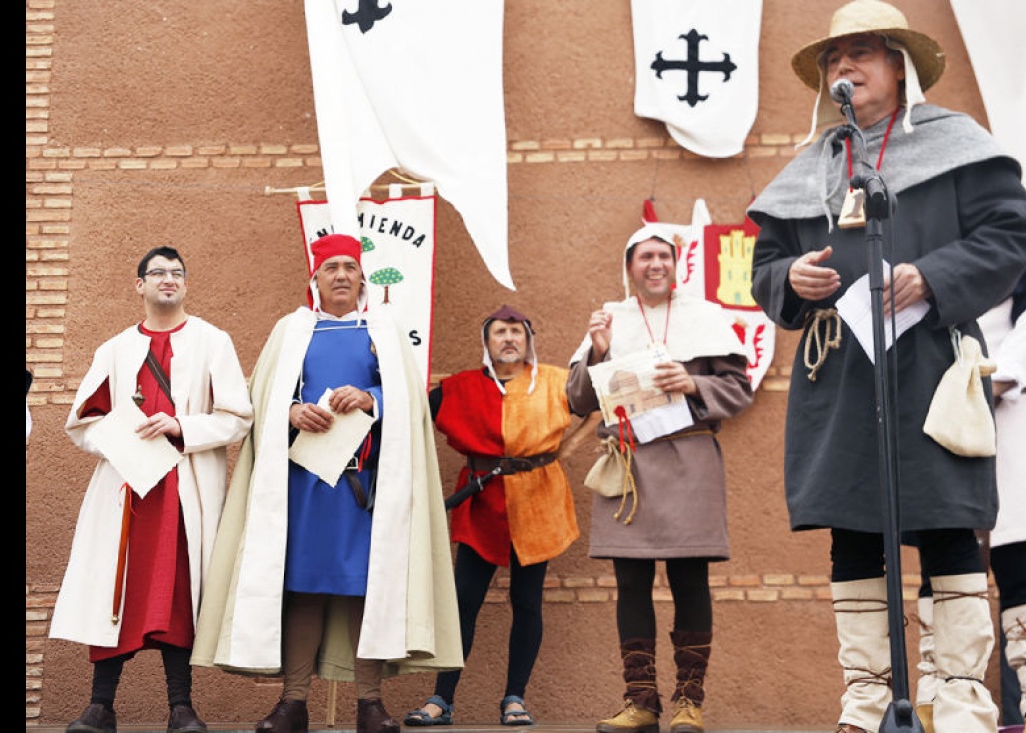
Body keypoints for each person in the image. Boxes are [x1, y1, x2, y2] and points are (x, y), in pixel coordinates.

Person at [745, 1, 1026, 731]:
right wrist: (791, 281)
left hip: (932, 367)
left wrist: (932, 275)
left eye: (864, 53)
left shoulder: (957, 145)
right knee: (853, 528)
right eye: (834, 58)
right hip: (839, 375)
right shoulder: (811, 166)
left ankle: (965, 701)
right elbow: (765, 266)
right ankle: (867, 700)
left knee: (946, 524)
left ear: (901, 68)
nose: (844, 68)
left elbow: (1011, 236)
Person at [191, 233, 463, 733]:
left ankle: (371, 704)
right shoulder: (291, 331)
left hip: (366, 490)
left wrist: (370, 397)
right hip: (305, 487)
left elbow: (407, 400)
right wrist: (291, 411)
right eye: (331, 267)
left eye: (349, 267)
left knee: (366, 589)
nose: (341, 274)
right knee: (306, 589)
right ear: (314, 277)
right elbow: (263, 398)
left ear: (363, 278)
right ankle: (293, 703)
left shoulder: (385, 330)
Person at [49, 246, 254, 733]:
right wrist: (127, 438)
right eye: (157, 273)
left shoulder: (213, 341)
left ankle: (181, 707)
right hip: (127, 488)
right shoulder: (115, 349)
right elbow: (83, 422)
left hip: (185, 490)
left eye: (177, 273)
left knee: (177, 592)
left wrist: (180, 425)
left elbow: (238, 418)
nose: (169, 279)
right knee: (115, 589)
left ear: (185, 284)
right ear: (138, 285)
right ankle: (100, 707)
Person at [567, 224, 753, 733]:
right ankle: (641, 703)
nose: (656, 265)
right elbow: (578, 400)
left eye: (664, 257)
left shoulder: (706, 317)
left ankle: (689, 704)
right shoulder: (608, 320)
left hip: (689, 461)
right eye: (645, 256)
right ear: (629, 267)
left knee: (690, 579)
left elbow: (739, 391)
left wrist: (694, 381)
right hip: (629, 465)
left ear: (677, 265)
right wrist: (600, 350)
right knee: (631, 581)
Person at [913, 250, 1026, 733]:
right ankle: (934, 703)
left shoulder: (1019, 258)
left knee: (1019, 568)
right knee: (940, 570)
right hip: (941, 425)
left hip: (1003, 418)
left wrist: (988, 384)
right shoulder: (928, 252)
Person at [403, 305, 580, 728]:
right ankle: (441, 699)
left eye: (516, 331)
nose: (508, 339)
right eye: (500, 332)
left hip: (538, 502)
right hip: (482, 502)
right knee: (463, 602)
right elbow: (411, 418)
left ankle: (514, 698)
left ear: (527, 340)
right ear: (487, 342)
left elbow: (597, 401)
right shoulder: (459, 387)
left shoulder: (556, 382)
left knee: (526, 602)